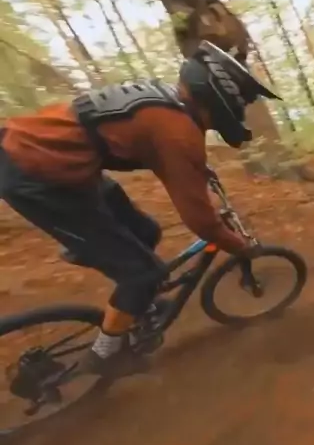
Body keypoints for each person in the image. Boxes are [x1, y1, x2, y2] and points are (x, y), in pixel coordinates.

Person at [0, 40, 281, 380]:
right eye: (241, 103)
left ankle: (120, 281)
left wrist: (195, 169)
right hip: (38, 173)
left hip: (60, 160)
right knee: (144, 274)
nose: (241, 110)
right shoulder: (177, 131)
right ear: (220, 98)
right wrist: (241, 247)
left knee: (146, 232)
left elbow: (147, 145)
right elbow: (202, 222)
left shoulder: (167, 102)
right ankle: (106, 354)